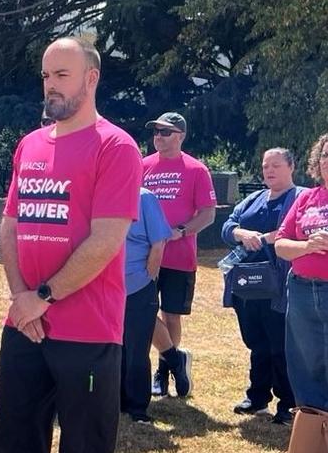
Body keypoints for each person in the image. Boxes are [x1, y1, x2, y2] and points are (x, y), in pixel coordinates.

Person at [0, 37, 143, 453]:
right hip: (24, 322)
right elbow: (10, 225)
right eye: (45, 76)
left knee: (85, 443)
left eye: (61, 75)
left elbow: (107, 239)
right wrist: (22, 298)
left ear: (91, 79)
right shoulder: (31, 144)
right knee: (11, 438)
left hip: (88, 329)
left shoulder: (116, 146)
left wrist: (43, 297)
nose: (50, 85)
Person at [276, 131, 328, 452]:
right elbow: (281, 244)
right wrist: (306, 246)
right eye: (324, 155)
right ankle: (316, 442)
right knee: (305, 371)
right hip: (303, 296)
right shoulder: (306, 198)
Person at [221, 148, 304, 425]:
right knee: (256, 342)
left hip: (281, 285)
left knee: (280, 344)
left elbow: (299, 229)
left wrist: (265, 239)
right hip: (248, 284)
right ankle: (257, 397)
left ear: (291, 166)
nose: (269, 171)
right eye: (266, 166)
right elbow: (228, 226)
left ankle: (288, 403)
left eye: (276, 165)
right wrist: (241, 233)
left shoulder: (301, 198)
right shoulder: (253, 199)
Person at [142, 112, 216, 398]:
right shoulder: (143, 166)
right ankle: (175, 359)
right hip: (144, 255)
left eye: (166, 132)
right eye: (156, 132)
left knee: (171, 315)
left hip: (179, 256)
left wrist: (181, 231)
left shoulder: (196, 170)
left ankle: (163, 371)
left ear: (181, 136)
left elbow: (208, 214)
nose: (159, 137)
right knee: (144, 310)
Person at [121, 188, 171, 424]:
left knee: (136, 349)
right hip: (108, 288)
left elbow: (159, 243)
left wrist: (147, 277)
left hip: (138, 285)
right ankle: (117, 400)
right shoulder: (101, 192)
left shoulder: (144, 197)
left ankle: (137, 407)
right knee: (114, 347)